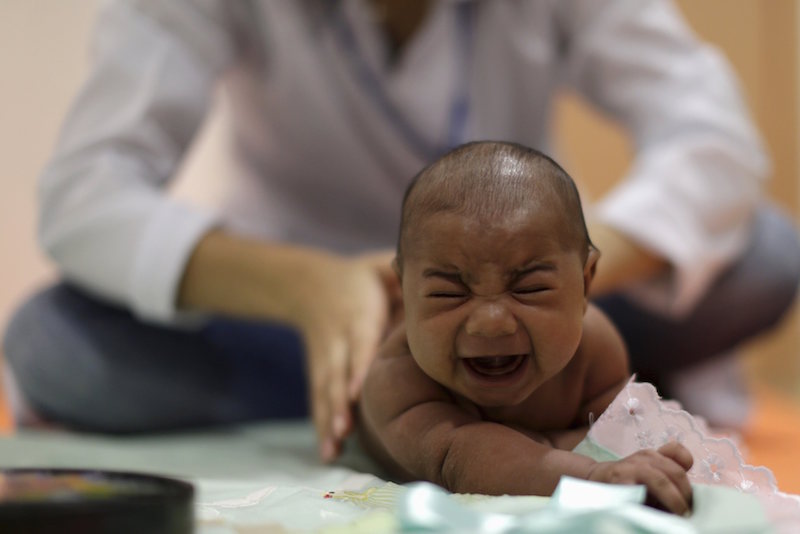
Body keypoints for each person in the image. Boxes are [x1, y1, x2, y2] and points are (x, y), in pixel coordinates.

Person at [3, 1, 799, 461]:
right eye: (442, 294)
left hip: (546, 307)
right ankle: (411, 391)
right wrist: (308, 287)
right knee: (51, 342)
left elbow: (713, 141)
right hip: (296, 308)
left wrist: (553, 286)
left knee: (767, 254)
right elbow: (86, 191)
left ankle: (529, 363)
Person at [358, 141, 694, 515]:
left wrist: (645, 457)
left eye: (529, 289)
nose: (491, 322)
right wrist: (593, 474)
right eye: (447, 294)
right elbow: (467, 459)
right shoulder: (398, 379)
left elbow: (617, 437)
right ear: (403, 291)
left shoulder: (594, 350)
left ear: (586, 281)